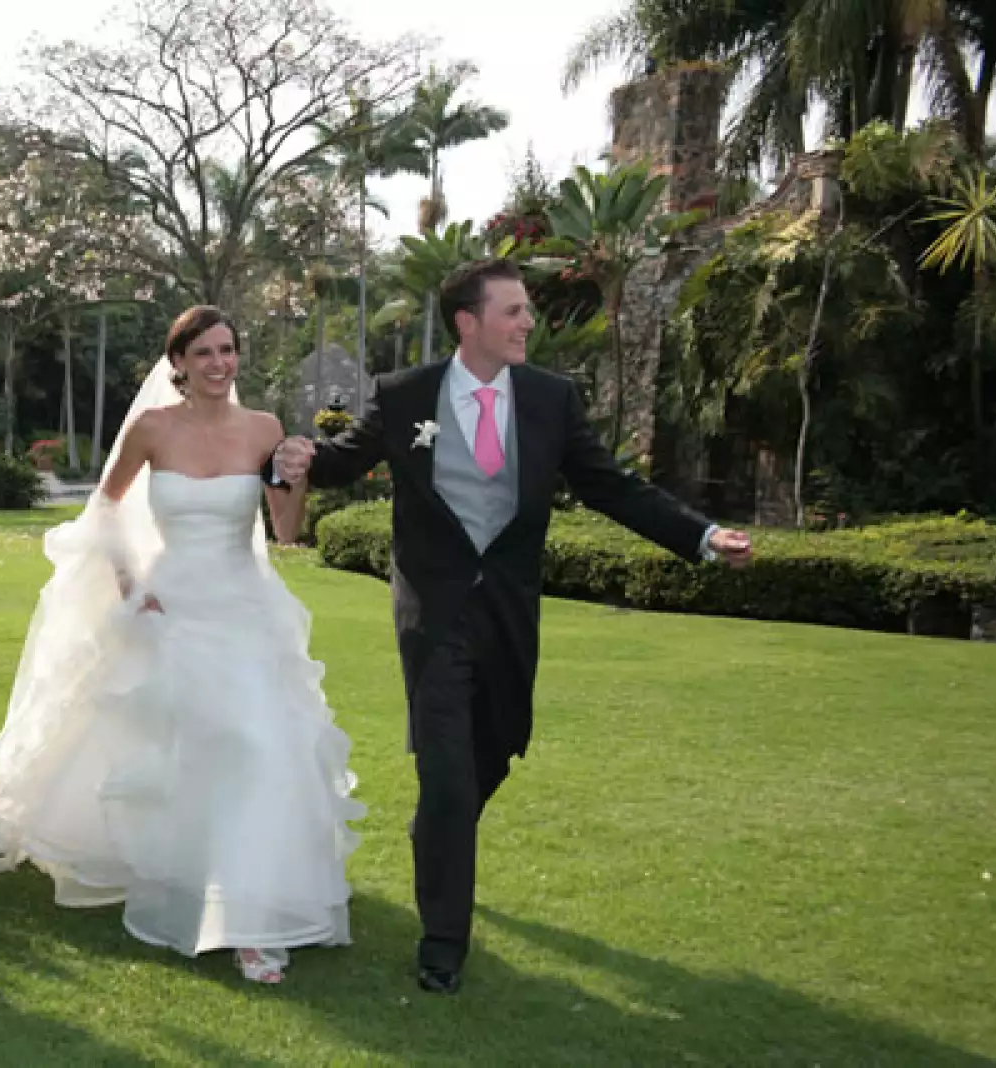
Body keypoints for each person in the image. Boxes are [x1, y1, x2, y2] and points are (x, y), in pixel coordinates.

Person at [268, 258, 753, 995]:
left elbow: (610, 486)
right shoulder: (406, 397)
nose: (529, 322)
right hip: (431, 616)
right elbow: (339, 466)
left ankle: (439, 829)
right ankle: (442, 944)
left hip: (508, 616)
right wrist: (296, 458)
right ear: (470, 323)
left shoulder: (550, 400)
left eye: (526, 311)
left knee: (490, 753)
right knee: (448, 774)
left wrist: (701, 536)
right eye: (515, 311)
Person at [0, 305, 363, 985]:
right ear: (177, 363)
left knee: (258, 746)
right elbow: (107, 507)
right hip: (171, 608)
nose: (219, 365)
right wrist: (128, 586)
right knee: (184, 751)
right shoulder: (151, 430)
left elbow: (288, 531)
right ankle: (184, 874)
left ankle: (249, 918)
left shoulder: (264, 428)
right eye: (204, 353)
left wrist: (294, 479)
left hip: (244, 612)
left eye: (228, 351)